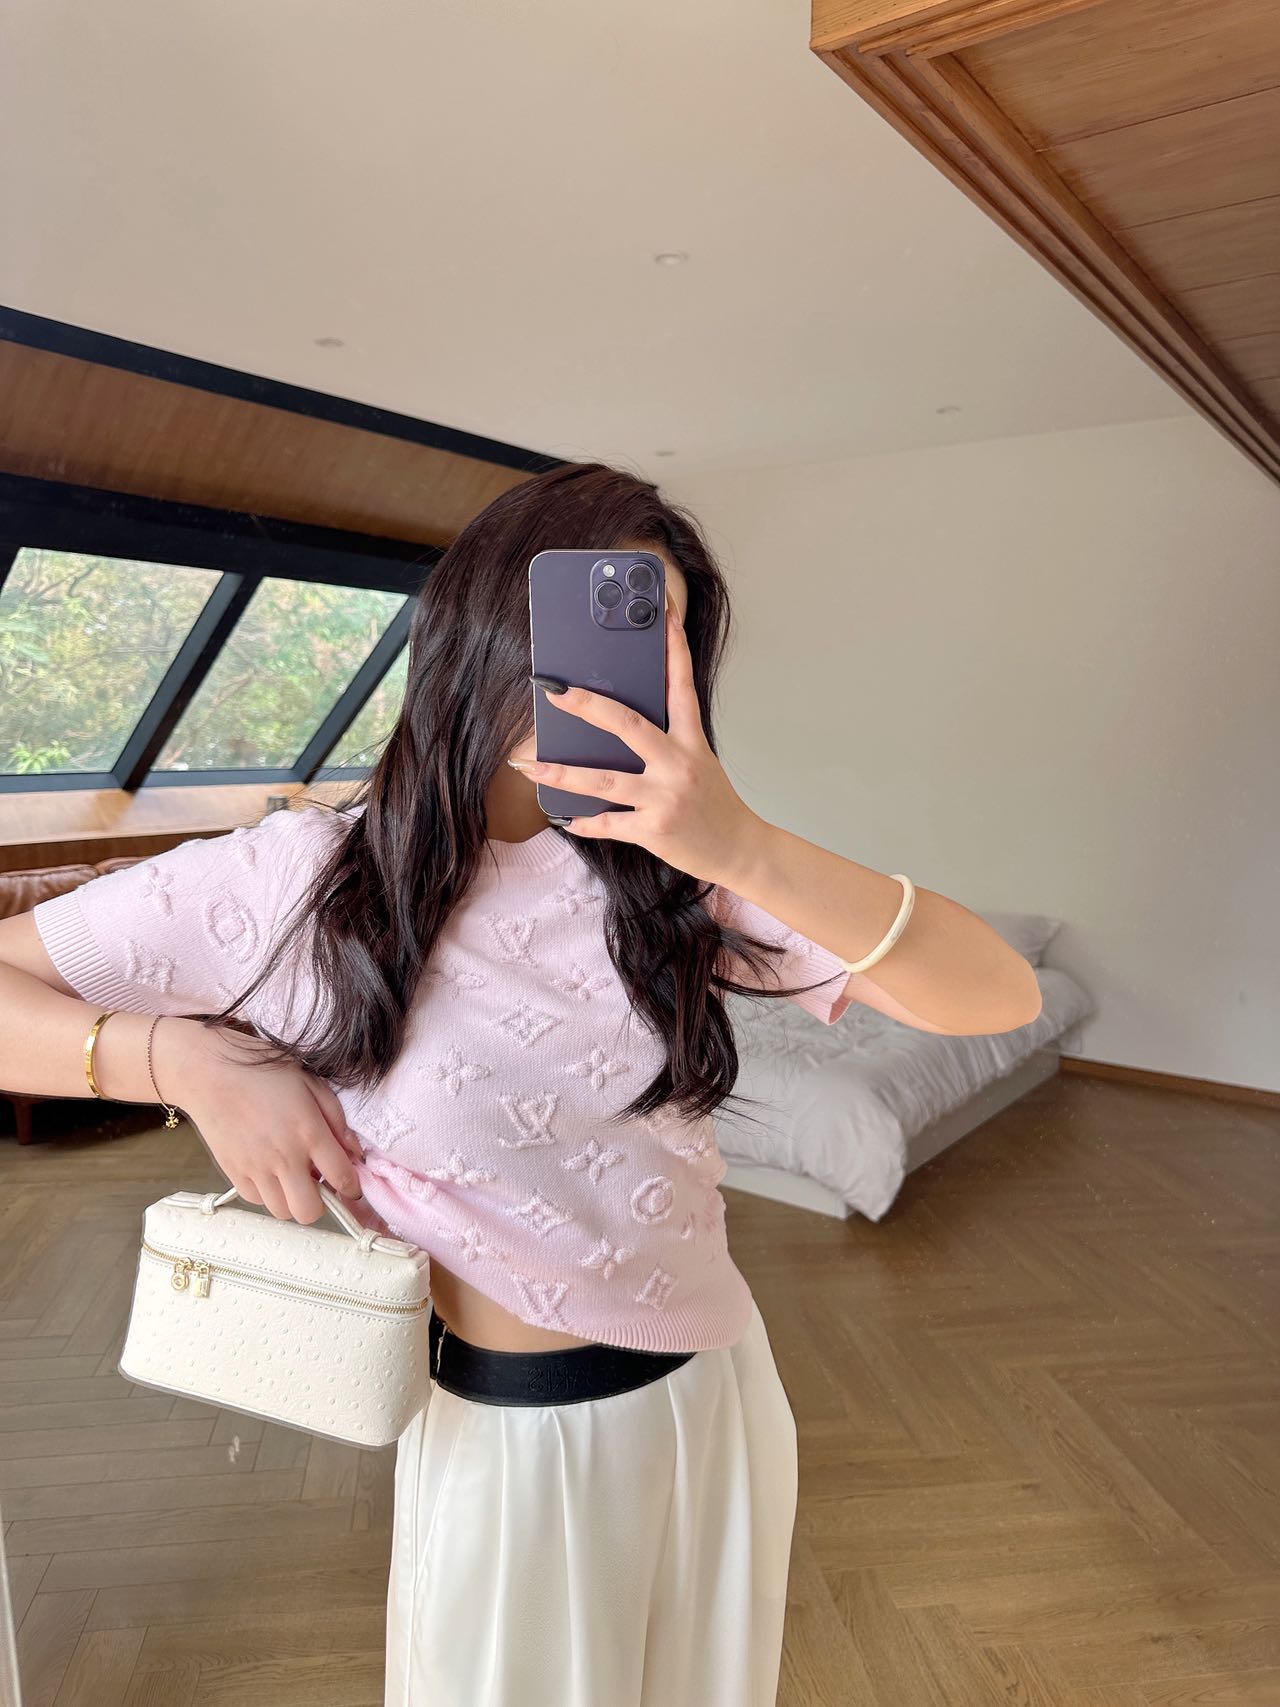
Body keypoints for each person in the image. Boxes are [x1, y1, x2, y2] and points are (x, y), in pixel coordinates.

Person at [0, 462, 1041, 1705]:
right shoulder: (300, 880)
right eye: (578, 622)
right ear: (483, 623)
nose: (606, 674)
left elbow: (995, 995)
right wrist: (179, 1057)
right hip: (512, 1440)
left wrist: (742, 845)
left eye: (650, 636)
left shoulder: (673, 876)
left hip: (716, 1397)